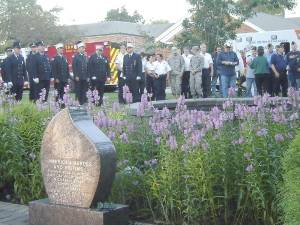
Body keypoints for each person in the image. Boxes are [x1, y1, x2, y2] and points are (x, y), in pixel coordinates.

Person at [72, 41, 89, 105]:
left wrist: (87, 76)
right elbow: (74, 67)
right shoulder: (76, 56)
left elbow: (86, 67)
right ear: (78, 49)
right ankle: (78, 102)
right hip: (78, 77)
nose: (83, 49)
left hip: (84, 76)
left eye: (83, 48)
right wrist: (76, 75)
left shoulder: (85, 56)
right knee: (78, 90)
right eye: (81, 48)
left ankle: (83, 101)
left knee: (84, 89)